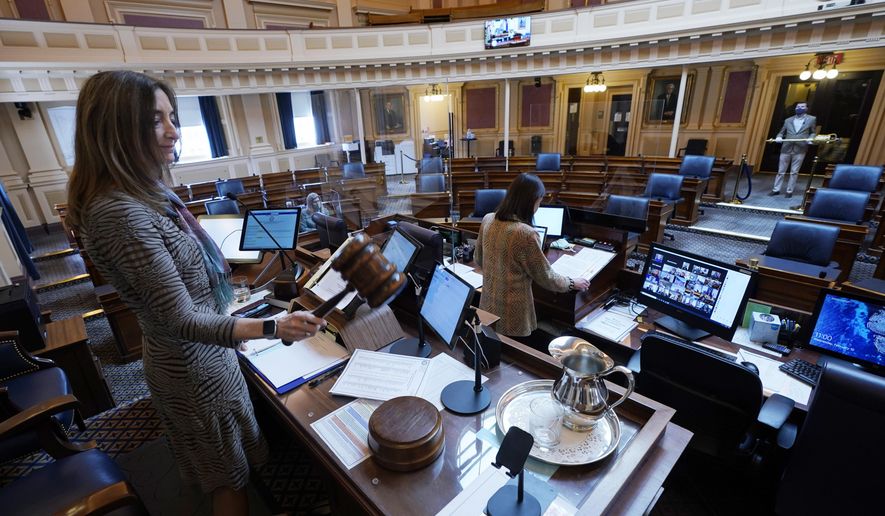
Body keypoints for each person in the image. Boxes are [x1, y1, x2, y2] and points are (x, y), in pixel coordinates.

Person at [65, 71, 327, 515]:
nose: (173, 131)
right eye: (154, 120)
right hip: (191, 370)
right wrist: (271, 325)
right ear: (116, 127)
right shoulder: (120, 212)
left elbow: (181, 288)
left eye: (173, 117)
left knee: (236, 467)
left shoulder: (145, 194)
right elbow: (181, 318)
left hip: (209, 359)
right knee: (227, 480)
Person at [475, 173, 590, 349]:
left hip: (487, 307)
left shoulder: (488, 219)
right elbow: (546, 277)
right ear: (533, 201)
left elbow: (479, 259)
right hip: (512, 316)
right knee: (515, 358)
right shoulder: (525, 233)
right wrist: (572, 283)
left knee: (494, 353)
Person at [770, 102, 817, 198]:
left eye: (802, 106)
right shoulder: (788, 120)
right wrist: (778, 137)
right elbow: (781, 132)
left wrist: (811, 138)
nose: (800, 108)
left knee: (794, 172)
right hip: (786, 148)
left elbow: (812, 132)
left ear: (806, 108)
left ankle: (789, 191)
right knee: (780, 171)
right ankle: (776, 189)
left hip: (800, 148)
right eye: (798, 106)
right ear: (795, 108)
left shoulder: (811, 119)